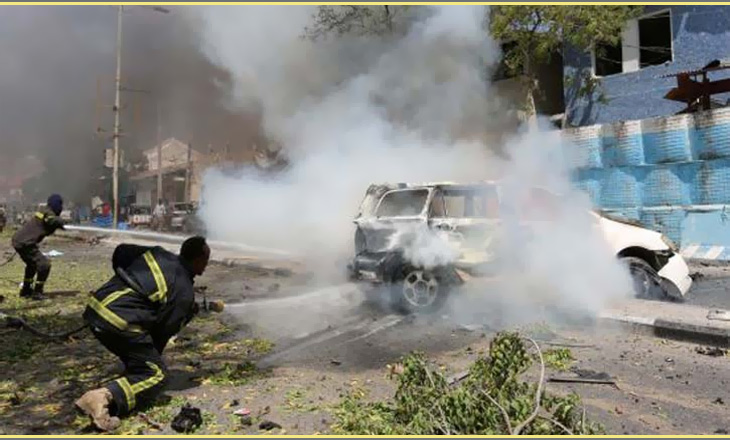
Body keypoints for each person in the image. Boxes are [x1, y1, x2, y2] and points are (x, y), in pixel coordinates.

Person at [74, 236, 211, 432]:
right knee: (157, 375)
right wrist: (152, 359)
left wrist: (127, 283)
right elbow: (160, 334)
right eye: (206, 261)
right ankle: (102, 397)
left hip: (97, 309)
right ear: (198, 260)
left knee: (139, 357)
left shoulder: (160, 253)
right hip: (119, 321)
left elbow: (121, 252)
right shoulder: (184, 293)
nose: (206, 266)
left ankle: (129, 377)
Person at [11, 194, 65, 300]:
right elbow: (50, 220)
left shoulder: (43, 209)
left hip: (20, 240)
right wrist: (60, 222)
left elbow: (48, 221)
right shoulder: (48, 212)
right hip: (25, 243)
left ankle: (26, 290)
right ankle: (37, 292)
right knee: (44, 265)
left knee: (32, 265)